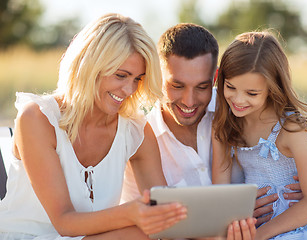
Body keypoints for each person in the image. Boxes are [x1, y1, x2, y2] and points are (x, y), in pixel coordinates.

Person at [121, 23, 307, 239]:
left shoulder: (239, 115)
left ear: (215, 78)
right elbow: (168, 222)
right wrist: (232, 217)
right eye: (177, 85)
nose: (189, 100)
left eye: (202, 86)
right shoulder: (142, 134)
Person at [0, 13, 187, 239]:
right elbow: (64, 222)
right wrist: (131, 213)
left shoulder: (135, 130)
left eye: (138, 79)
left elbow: (165, 214)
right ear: (90, 66)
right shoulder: (37, 119)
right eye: (121, 76)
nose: (130, 90)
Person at [212, 31, 307, 239]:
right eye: (230, 87)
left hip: (298, 227)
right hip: (253, 227)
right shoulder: (224, 124)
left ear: (272, 88)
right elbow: (220, 193)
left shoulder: (289, 128)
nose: (238, 99)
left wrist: (261, 235)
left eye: (252, 93)